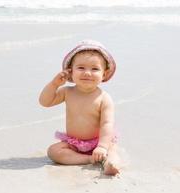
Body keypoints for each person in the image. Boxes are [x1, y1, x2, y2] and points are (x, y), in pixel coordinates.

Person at [39, 40, 120, 175]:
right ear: (70, 71)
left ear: (104, 74)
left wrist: (102, 146)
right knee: (53, 151)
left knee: (112, 151)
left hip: (99, 141)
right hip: (74, 143)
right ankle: (88, 159)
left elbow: (107, 124)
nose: (87, 73)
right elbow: (45, 102)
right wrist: (54, 84)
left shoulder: (104, 98)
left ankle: (108, 162)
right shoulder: (67, 92)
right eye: (81, 68)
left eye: (95, 69)